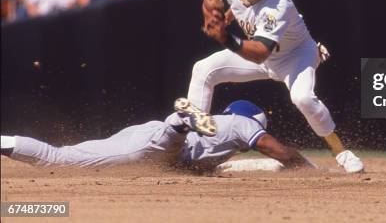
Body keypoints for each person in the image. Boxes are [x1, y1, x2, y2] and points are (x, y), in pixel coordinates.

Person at [188, 0, 364, 174]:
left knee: (303, 98)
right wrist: (223, 19)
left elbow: (260, 52)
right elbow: (237, 7)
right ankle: (193, 143)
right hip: (262, 55)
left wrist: (224, 36)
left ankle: (341, 152)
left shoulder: (278, 4)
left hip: (295, 56)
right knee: (203, 69)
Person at [1, 98, 313, 172]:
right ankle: (181, 121)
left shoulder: (223, 136)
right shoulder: (242, 125)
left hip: (146, 134)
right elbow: (282, 154)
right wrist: (306, 168)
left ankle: (180, 121)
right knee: (59, 160)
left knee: (64, 153)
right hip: (159, 145)